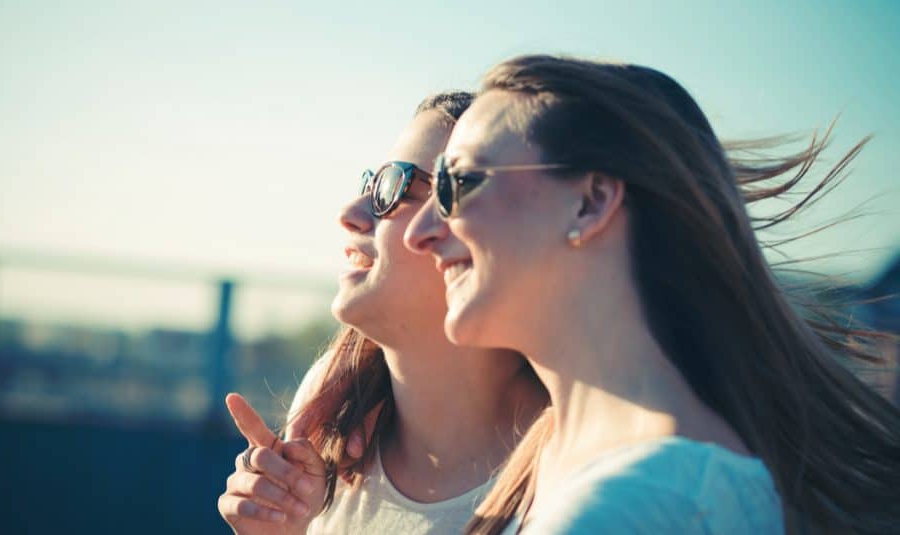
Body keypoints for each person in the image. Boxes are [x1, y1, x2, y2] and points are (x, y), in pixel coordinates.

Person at [404, 55, 900, 534]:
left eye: (456, 183)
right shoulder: (559, 461)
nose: (419, 231)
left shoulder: (648, 503)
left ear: (591, 203)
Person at [217, 91, 549, 534]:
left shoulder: (568, 479)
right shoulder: (330, 412)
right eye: (368, 185)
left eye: (393, 186)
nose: (350, 214)